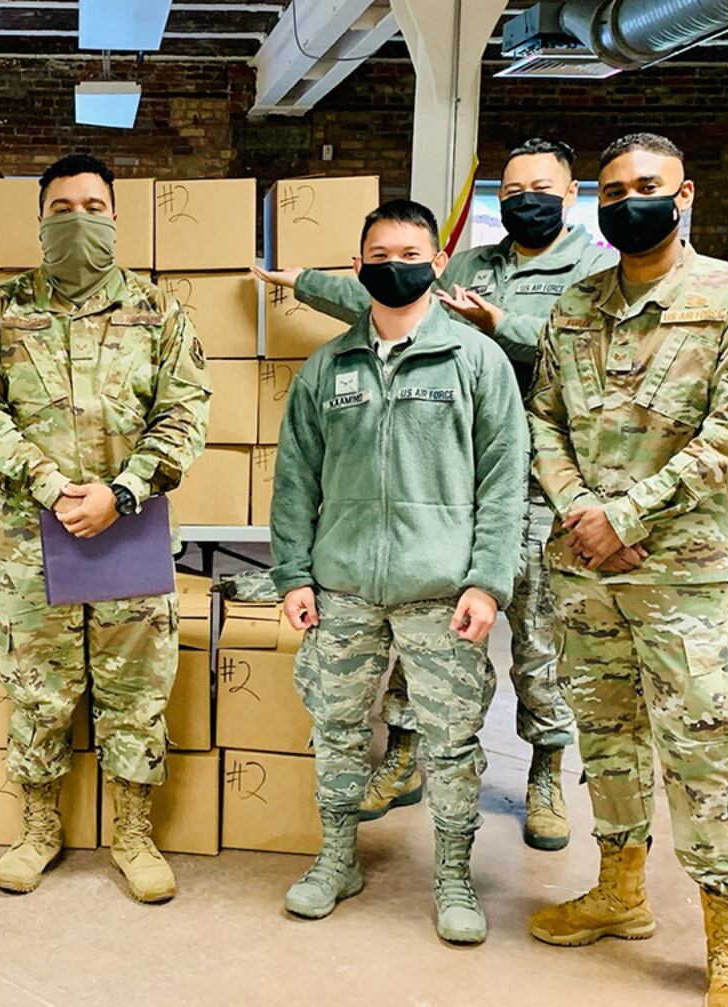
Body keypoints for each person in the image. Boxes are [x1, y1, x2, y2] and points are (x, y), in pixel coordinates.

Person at [257, 139, 615, 851]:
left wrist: (497, 325)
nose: (524, 200)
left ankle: (545, 769)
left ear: (571, 193)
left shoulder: (597, 270)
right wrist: (299, 279)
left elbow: (588, 353)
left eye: (539, 186)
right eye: (510, 189)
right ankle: (405, 755)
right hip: (441, 468)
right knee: (426, 624)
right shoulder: (475, 263)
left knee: (539, 640)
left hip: (547, 475)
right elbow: (396, 290)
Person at [525, 133, 728, 1007]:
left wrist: (624, 517)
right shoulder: (574, 305)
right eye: (612, 189)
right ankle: (620, 891)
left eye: (647, 186)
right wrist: (577, 511)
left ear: (684, 196)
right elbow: (543, 419)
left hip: (679, 576)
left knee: (702, 747)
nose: (629, 199)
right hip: (584, 569)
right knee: (607, 737)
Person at [0, 152, 210, 903]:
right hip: (34, 537)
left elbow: (187, 411)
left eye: (93, 206)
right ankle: (39, 829)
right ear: (39, 220)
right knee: (40, 689)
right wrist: (51, 484)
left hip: (131, 530)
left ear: (116, 217)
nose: (78, 219)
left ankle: (131, 832)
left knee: (136, 690)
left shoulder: (158, 311)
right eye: (62, 208)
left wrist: (123, 491)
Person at [270, 200, 528, 944]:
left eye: (409, 251)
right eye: (378, 254)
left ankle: (452, 873)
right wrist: (293, 574)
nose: (394, 264)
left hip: (440, 591)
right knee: (339, 729)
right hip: (343, 585)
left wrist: (487, 581)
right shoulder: (329, 366)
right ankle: (337, 857)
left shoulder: (475, 361)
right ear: (356, 269)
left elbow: (504, 480)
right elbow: (296, 481)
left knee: (449, 740)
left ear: (437, 262)